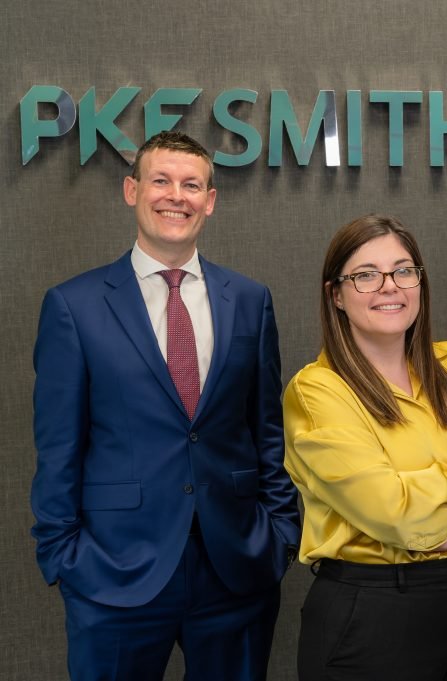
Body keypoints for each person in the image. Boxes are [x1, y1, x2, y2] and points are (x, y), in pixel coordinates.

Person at [30, 131, 300, 680]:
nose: (176, 195)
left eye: (191, 184)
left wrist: (278, 535)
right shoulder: (73, 306)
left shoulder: (250, 300)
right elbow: (58, 446)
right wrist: (64, 556)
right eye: (161, 180)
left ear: (211, 200)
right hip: (114, 574)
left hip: (235, 569)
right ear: (132, 190)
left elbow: (265, 431)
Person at [283, 214, 447, 681]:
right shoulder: (318, 392)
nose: (389, 287)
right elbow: (395, 512)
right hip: (373, 617)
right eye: (365, 275)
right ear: (335, 294)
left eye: (403, 270)